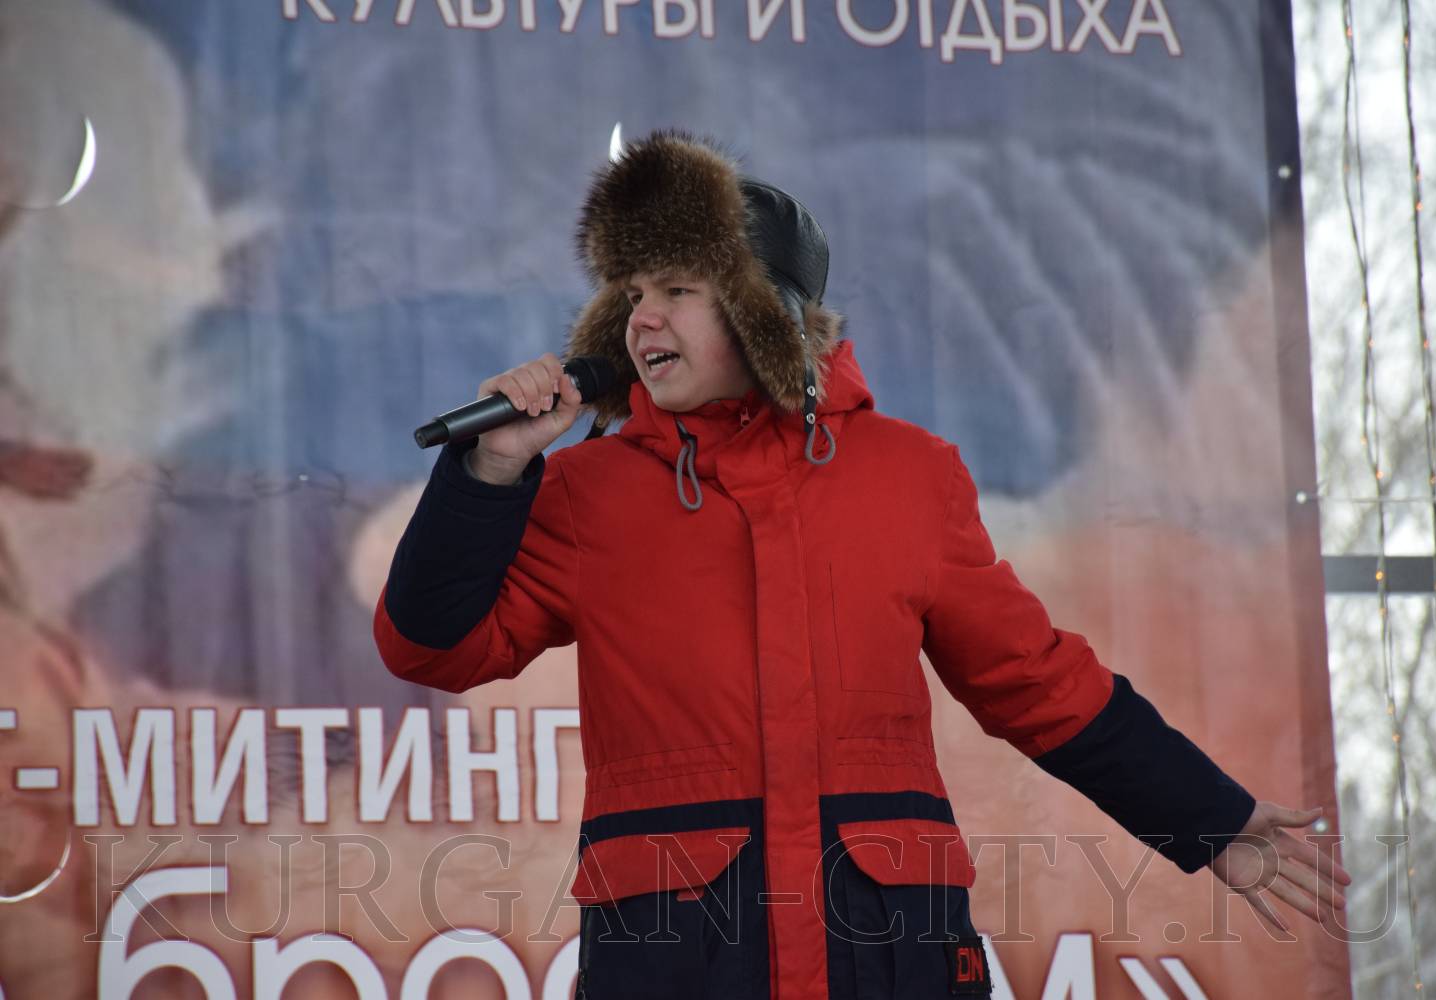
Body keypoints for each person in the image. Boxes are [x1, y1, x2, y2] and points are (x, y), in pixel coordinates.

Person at [374, 130, 1350, 1000]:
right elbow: (431, 648)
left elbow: (1037, 681)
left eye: (677, 290)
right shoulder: (586, 491)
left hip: (888, 953)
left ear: (763, 310)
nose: (643, 320)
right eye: (632, 296)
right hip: (677, 958)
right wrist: (491, 471)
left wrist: (1208, 819)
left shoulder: (910, 476)